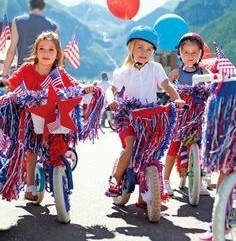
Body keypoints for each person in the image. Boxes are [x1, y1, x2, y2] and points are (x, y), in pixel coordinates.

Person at [5, 31, 94, 201]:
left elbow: (74, 84)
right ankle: (30, 183)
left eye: (51, 50)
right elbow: (13, 84)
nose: (46, 54)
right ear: (36, 51)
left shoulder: (58, 73)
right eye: (42, 49)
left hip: (54, 118)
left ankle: (57, 169)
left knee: (59, 142)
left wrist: (87, 86)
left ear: (57, 54)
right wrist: (12, 94)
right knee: (31, 147)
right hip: (32, 116)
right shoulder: (27, 68)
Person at [105, 25, 185, 202]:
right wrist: (111, 100)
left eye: (149, 49)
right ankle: (115, 179)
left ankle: (147, 197)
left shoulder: (155, 68)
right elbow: (111, 90)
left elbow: (167, 85)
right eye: (140, 47)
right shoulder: (123, 72)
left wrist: (177, 99)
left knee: (150, 153)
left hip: (150, 117)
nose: (144, 52)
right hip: (128, 116)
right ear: (131, 48)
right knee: (131, 146)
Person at [163, 32, 210, 196]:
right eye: (186, 52)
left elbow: (211, 86)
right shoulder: (177, 72)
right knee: (174, 144)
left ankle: (199, 179)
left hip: (198, 115)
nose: (190, 56)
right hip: (181, 114)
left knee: (200, 146)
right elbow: (166, 85)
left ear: (200, 54)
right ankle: (165, 180)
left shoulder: (203, 71)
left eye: (194, 52)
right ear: (180, 54)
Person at [2, 0, 59, 79]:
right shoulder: (53, 26)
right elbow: (56, 53)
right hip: (45, 72)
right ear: (43, 8)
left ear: (30, 6)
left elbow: (12, 50)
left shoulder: (18, 21)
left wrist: (4, 75)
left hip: (22, 70)